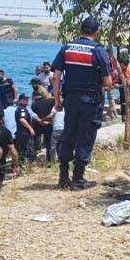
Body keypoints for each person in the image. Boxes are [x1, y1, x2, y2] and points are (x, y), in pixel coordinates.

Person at [50, 16, 111, 189]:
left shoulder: (67, 48)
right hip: (90, 101)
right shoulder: (98, 51)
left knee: (69, 134)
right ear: (96, 32)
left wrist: (57, 99)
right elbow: (107, 82)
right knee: (86, 136)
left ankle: (63, 176)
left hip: (70, 99)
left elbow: (56, 76)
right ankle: (78, 177)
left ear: (80, 29)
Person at [0, 109, 16, 191]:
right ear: (3, 118)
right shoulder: (6, 131)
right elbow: (12, 150)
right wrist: (15, 163)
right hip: (0, 163)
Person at [30, 79, 54, 160]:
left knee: (35, 141)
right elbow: (53, 112)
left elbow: (34, 116)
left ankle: (33, 159)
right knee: (49, 143)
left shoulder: (34, 105)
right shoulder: (50, 102)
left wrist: (39, 122)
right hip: (48, 123)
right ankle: (49, 159)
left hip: (38, 124)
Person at [14, 94, 36, 164]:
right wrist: (30, 128)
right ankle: (27, 166)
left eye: (27, 99)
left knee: (23, 151)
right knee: (27, 150)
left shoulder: (20, 108)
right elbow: (22, 120)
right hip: (24, 133)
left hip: (22, 133)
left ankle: (24, 165)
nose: (27, 101)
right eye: (25, 100)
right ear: (20, 100)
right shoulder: (22, 109)